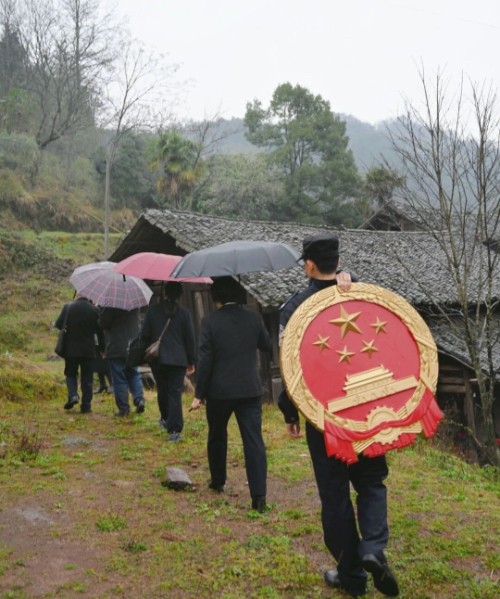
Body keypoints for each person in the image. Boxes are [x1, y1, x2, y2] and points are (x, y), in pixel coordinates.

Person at [278, 233, 399, 598]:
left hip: (324, 419)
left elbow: (289, 370)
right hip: (368, 411)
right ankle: (373, 549)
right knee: (372, 482)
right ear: (338, 262)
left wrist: (290, 412)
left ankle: (351, 576)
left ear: (310, 265)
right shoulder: (362, 294)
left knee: (335, 496)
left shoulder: (294, 309)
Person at [190, 277, 272, 513]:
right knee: (253, 441)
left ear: (216, 298)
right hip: (249, 389)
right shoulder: (253, 318)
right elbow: (266, 345)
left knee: (217, 435)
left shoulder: (209, 322)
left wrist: (200, 393)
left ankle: (218, 481)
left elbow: (205, 360)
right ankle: (259, 497)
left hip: (219, 391)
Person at [140, 282, 195, 441]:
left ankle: (165, 418)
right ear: (179, 295)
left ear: (164, 292)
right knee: (174, 393)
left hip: (158, 359)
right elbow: (189, 339)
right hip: (178, 360)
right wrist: (191, 361)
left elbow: (144, 334)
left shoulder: (153, 311)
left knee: (162, 389)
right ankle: (174, 430)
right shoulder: (184, 314)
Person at [54, 294, 103, 414]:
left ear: (78, 294)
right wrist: (102, 348)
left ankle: (73, 395)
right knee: (87, 378)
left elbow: (59, 324)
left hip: (71, 349)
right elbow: (100, 330)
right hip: (89, 350)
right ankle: (86, 406)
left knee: (70, 374)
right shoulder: (95, 310)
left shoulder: (68, 307)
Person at [99, 307, 145, 417]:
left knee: (119, 378)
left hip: (116, 346)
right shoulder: (134, 306)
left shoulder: (110, 306)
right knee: (134, 373)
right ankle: (139, 399)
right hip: (132, 344)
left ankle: (124, 409)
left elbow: (102, 323)